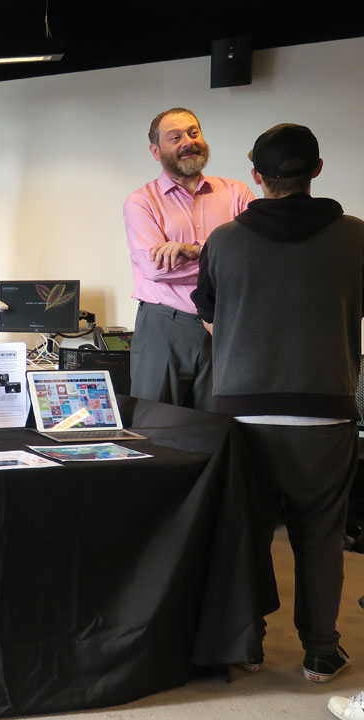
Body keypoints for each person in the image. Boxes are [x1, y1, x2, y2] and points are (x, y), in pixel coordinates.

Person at [191, 123, 364, 683]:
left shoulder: (224, 240)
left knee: (249, 535)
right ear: (317, 170)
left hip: (243, 414)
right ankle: (321, 652)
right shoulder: (356, 236)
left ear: (256, 176)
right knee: (321, 536)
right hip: (325, 412)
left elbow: (210, 318)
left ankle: (248, 646)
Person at [123, 107, 254, 410]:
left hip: (225, 325)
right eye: (175, 137)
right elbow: (155, 269)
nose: (188, 141)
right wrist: (223, 260)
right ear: (156, 151)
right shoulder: (141, 202)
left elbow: (255, 256)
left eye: (194, 133)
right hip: (164, 327)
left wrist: (195, 250)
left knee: (216, 424)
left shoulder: (237, 192)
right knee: (154, 421)